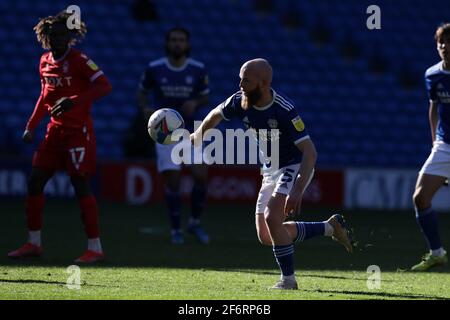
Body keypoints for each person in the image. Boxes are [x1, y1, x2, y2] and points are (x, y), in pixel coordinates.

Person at [190, 58, 353, 289]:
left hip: (292, 166)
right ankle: (330, 227)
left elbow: (310, 152)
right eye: (240, 79)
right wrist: (198, 135)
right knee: (267, 235)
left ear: (264, 83)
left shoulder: (284, 109)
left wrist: (297, 190)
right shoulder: (240, 101)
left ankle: (288, 281)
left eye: (246, 80)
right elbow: (215, 114)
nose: (240, 85)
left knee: (272, 217)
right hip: (270, 170)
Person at [7, 11, 112, 263]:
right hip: (53, 132)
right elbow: (45, 97)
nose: (57, 39)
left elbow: (104, 86)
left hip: (78, 133)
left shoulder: (80, 61)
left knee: (79, 184)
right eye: (52, 35)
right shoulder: (44, 61)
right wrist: (31, 126)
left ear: (70, 36)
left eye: (62, 35)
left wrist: (73, 101)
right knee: (34, 182)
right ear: (46, 37)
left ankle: (95, 248)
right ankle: (33, 243)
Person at [137, 27, 210, 244]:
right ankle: (176, 229)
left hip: (191, 131)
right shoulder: (154, 68)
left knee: (201, 175)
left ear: (187, 44)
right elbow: (142, 92)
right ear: (167, 43)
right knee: (174, 182)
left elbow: (205, 97)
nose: (177, 44)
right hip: (165, 134)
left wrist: (195, 102)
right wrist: (145, 108)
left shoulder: (198, 69)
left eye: (181, 40)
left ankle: (194, 223)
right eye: (174, 40)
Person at [411, 23, 450, 271]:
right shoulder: (432, 74)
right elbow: (434, 107)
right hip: (444, 145)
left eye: (448, 42)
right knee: (420, 197)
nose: (445, 47)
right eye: (441, 43)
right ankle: (437, 253)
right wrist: (435, 139)